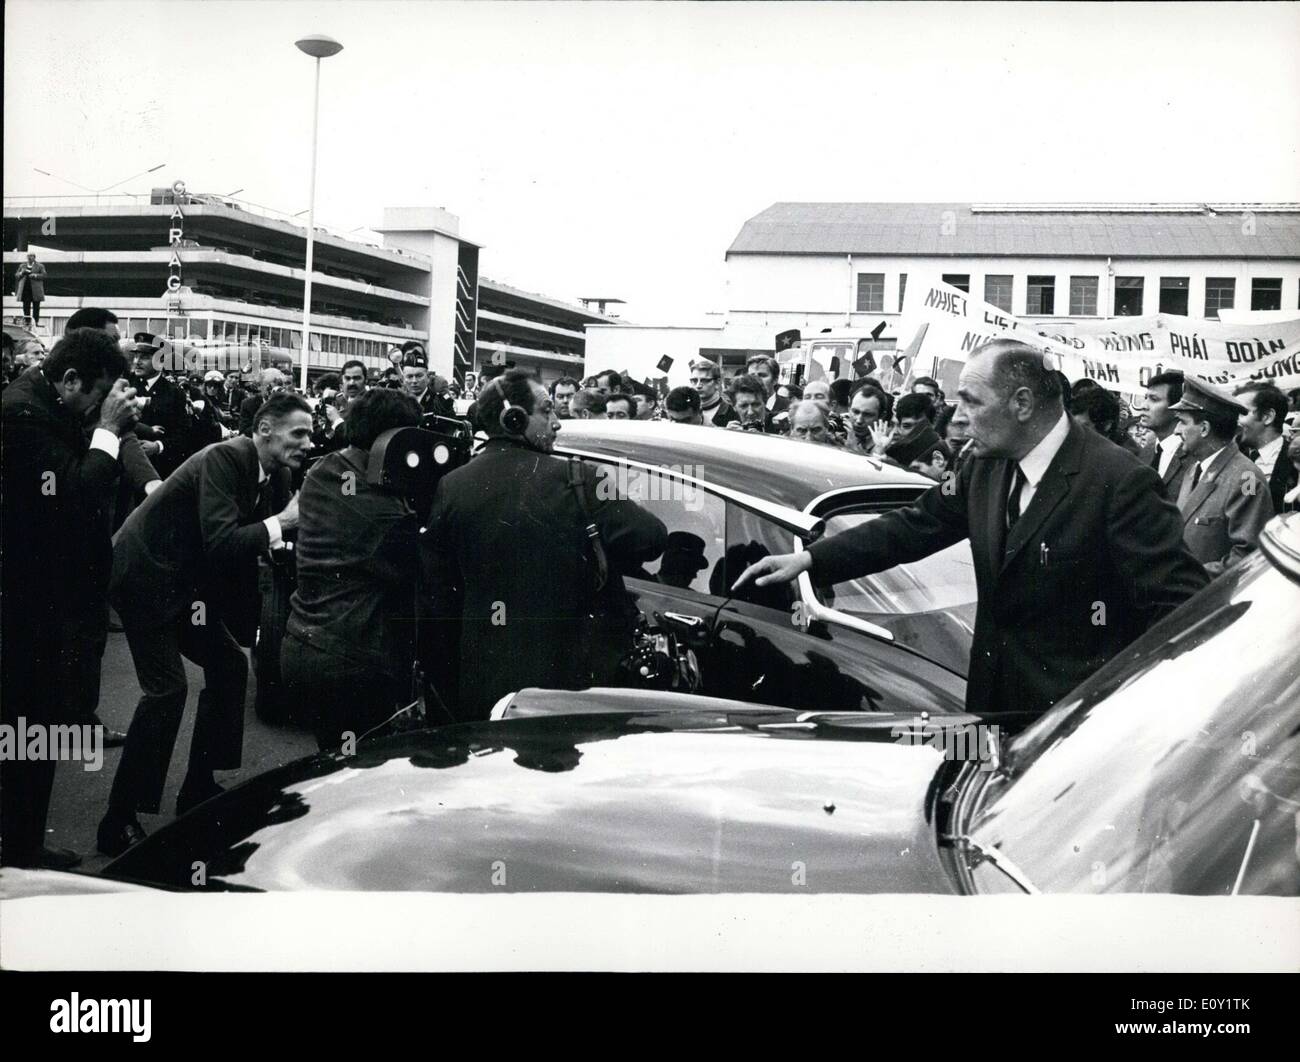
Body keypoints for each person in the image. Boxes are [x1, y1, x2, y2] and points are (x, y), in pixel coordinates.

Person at [734, 338, 1208, 728]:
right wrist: (814, 559)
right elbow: (917, 524)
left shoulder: (1118, 481)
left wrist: (1127, 712)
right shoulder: (985, 463)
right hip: (989, 706)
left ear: (1022, 403)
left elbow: (1180, 609)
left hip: (1074, 726)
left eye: (972, 401)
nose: (958, 418)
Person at [97, 393, 313, 855]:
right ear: (264, 429)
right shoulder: (224, 456)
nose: (307, 442)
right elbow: (224, 541)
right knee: (166, 690)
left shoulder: (278, 473)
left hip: (182, 584)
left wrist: (283, 539)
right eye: (299, 433)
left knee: (229, 666)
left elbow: (255, 542)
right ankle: (117, 819)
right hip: (144, 578)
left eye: (311, 433)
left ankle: (197, 787)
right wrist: (283, 522)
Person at [423, 368, 666, 720]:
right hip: (572, 684)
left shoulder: (452, 485)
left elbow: (438, 595)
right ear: (515, 417)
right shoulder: (579, 478)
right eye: (547, 410)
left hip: (488, 687)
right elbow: (652, 538)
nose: (557, 422)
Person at [1, 329, 138, 868]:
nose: (97, 408)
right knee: (28, 723)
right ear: (72, 379)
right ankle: (20, 847)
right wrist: (106, 430)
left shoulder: (45, 400)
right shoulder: (20, 415)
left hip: (50, 597)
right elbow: (72, 494)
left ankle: (23, 839)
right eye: (96, 395)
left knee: (43, 723)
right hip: (28, 601)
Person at [283, 389, 424, 749]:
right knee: (359, 773)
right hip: (350, 658)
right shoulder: (378, 510)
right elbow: (420, 563)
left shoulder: (326, 469)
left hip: (306, 640)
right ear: (394, 440)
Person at [1171, 377, 1273, 577]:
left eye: (1182, 423)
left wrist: (1189, 578)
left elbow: (1247, 557)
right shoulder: (1194, 470)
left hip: (1210, 600)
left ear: (1204, 429)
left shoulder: (1247, 478)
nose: (1177, 431)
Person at [128, 334, 191, 477]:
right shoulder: (127, 384)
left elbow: (184, 434)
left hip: (159, 468)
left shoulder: (174, 393)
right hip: (126, 466)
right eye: (136, 356)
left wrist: (158, 446)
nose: (137, 362)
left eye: (144, 357)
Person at [1236, 383, 1297, 515]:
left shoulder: (1295, 461)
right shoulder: (1230, 453)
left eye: (1241, 413)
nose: (1234, 420)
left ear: (1267, 417)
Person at [1137, 370, 1190, 500]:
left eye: (1154, 399)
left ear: (1177, 409)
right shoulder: (1147, 451)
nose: (1143, 406)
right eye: (1146, 398)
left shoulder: (1193, 456)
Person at [1071, 385, 1141, 457]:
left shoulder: (1126, 456)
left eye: (1084, 427)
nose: (1075, 432)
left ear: (1106, 426)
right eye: (1074, 424)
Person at [845, 381, 892, 455]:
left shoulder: (887, 444)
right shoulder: (836, 433)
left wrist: (853, 448)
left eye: (867, 415)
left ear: (881, 416)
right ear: (848, 409)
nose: (859, 420)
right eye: (855, 412)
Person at [238, 367, 289, 436]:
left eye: (280, 385)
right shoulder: (248, 404)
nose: (275, 390)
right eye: (269, 386)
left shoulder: (288, 404)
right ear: (260, 386)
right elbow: (244, 432)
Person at [690, 358, 737, 427]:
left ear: (717, 383)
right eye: (694, 380)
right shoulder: (684, 409)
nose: (698, 385)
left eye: (704, 380)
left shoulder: (731, 413)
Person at [14, 251, 47, 325]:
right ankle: (27, 321)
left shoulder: (40, 266)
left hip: (35, 290)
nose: (29, 257)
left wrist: (35, 275)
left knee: (36, 306)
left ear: (34, 257)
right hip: (25, 289)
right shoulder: (22, 266)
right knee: (26, 306)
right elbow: (16, 275)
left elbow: (44, 275)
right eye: (28, 256)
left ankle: (35, 322)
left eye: (31, 256)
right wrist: (21, 273)